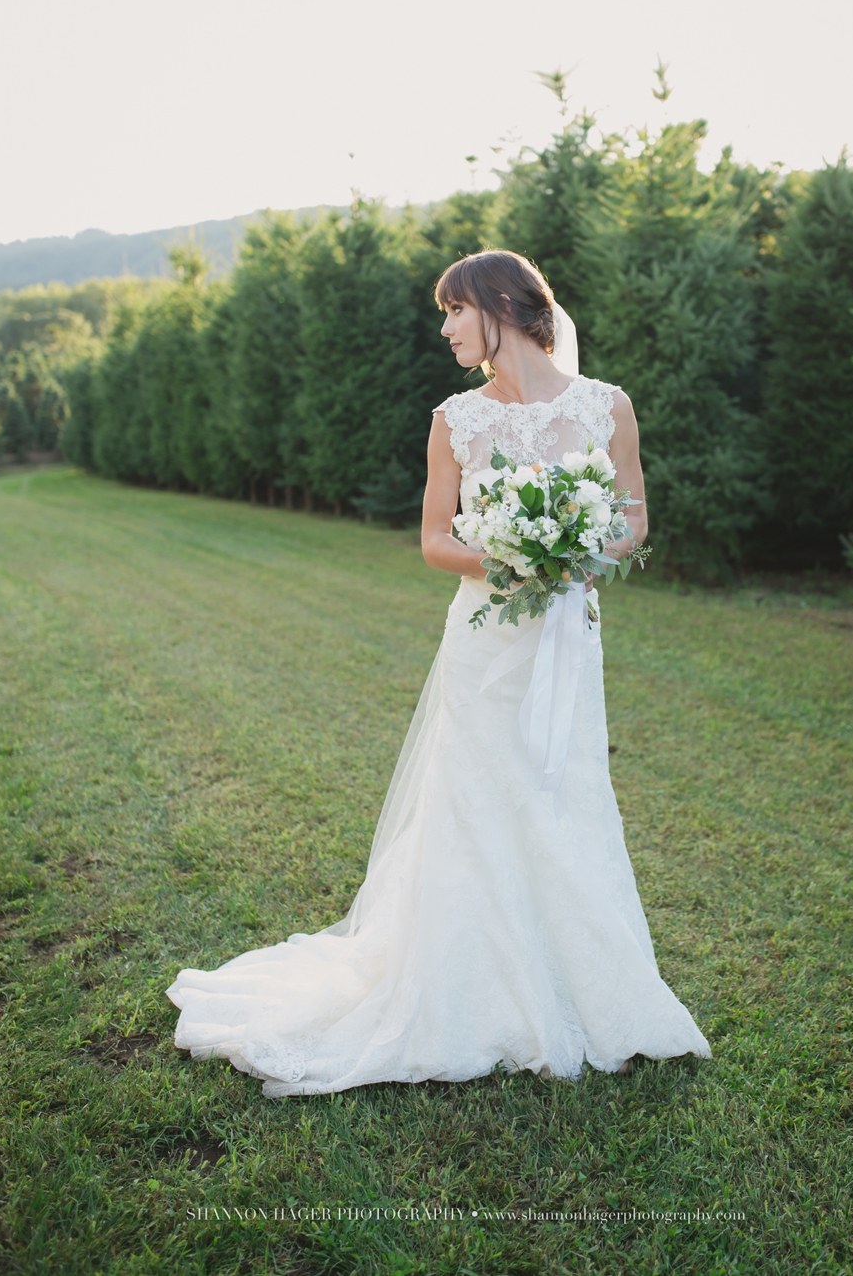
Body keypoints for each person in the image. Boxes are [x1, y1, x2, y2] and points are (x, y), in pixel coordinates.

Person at [166, 249, 711, 1094]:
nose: (447, 328)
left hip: (565, 640)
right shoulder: (456, 419)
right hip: (484, 646)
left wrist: (574, 555)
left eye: (456, 311)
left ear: (502, 306)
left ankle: (581, 984)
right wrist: (514, 559)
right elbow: (433, 540)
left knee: (564, 793)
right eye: (445, 313)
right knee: (476, 802)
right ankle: (470, 991)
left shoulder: (608, 406)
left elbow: (634, 521)